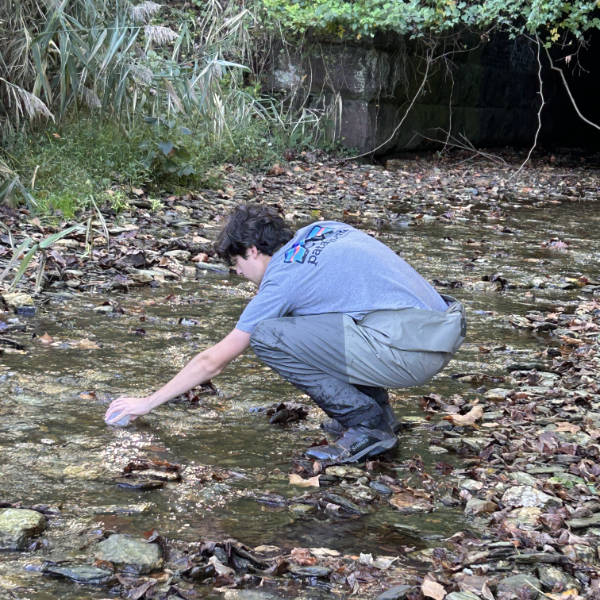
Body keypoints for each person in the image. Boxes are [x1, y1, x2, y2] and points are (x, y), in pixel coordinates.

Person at [105, 204, 466, 463]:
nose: (239, 274)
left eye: (236, 265)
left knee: (268, 335)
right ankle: (380, 415)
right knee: (312, 319)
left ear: (251, 250)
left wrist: (147, 403)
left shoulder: (283, 276)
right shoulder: (323, 230)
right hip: (439, 329)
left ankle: (367, 425)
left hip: (410, 351)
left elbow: (214, 360)